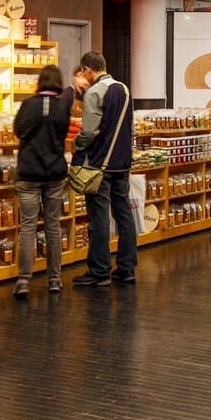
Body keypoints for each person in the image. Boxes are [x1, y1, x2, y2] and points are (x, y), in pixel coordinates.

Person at [70, 51, 136, 287]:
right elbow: (130, 127)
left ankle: (99, 271)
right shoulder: (124, 89)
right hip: (122, 163)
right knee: (124, 215)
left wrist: (75, 144)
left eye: (83, 72)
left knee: (99, 217)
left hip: (100, 165)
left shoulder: (95, 92)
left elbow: (89, 131)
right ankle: (126, 268)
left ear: (88, 69)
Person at [12, 65, 71, 297]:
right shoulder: (62, 107)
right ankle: (55, 279)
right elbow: (64, 134)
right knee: (53, 225)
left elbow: (18, 131)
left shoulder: (28, 105)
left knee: (28, 226)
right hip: (54, 173)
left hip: (28, 172)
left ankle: (24, 279)